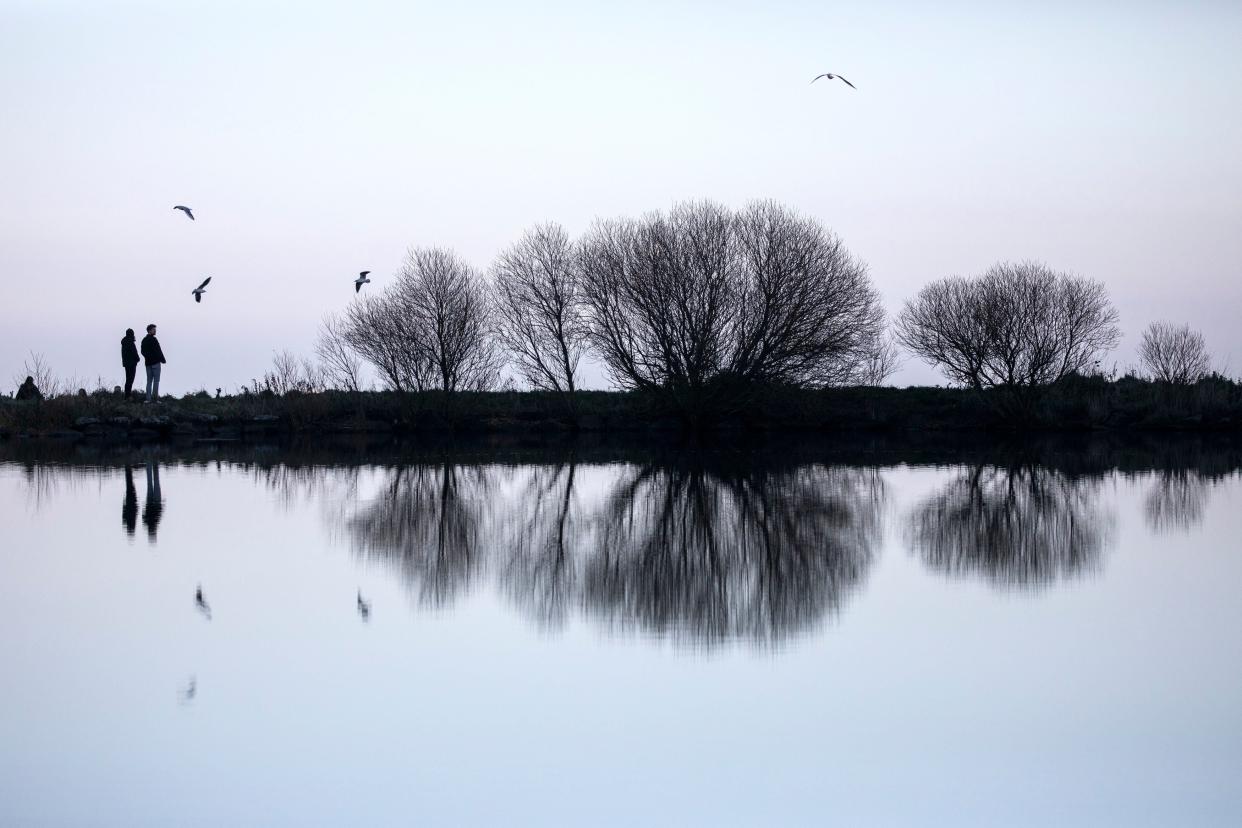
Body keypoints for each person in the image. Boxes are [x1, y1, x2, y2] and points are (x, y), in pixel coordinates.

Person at [140, 323, 166, 403]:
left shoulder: (144, 340)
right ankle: (155, 399)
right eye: (154, 329)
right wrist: (163, 360)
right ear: (150, 330)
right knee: (156, 381)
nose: (155, 331)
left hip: (148, 363)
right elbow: (158, 351)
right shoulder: (154, 340)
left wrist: (148, 358)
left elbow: (142, 352)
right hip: (155, 363)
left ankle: (148, 399)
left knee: (149, 381)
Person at [121, 328, 140, 400]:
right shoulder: (130, 342)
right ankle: (128, 395)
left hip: (126, 364)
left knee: (128, 379)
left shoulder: (124, 342)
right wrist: (138, 359)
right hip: (132, 363)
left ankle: (127, 395)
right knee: (130, 379)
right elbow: (134, 352)